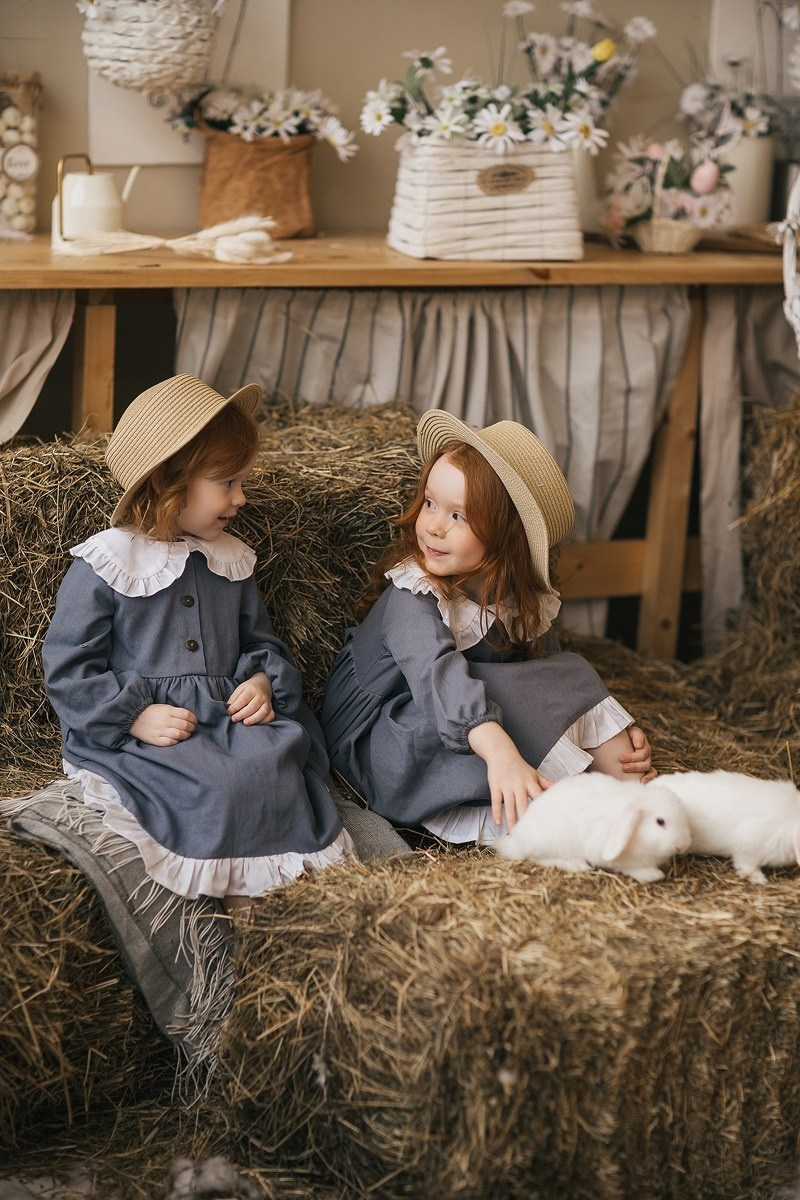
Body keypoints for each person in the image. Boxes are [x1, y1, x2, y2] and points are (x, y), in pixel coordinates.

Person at [43, 373, 354, 912]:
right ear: (170, 481)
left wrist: (260, 680)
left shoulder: (230, 560)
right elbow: (69, 667)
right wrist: (132, 717)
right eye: (227, 483)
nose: (241, 497)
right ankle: (227, 888)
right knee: (219, 785)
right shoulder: (108, 563)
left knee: (277, 760)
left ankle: (275, 898)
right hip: (145, 726)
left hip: (223, 715)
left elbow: (260, 642)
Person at [320, 409, 655, 846]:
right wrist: (500, 751)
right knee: (511, 692)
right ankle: (579, 798)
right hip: (387, 737)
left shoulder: (512, 596)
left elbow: (544, 672)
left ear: (505, 535)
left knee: (566, 670)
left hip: (465, 716)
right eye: (431, 503)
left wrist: (603, 722)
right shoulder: (412, 594)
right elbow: (435, 675)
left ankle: (626, 781)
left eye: (460, 516)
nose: (435, 526)